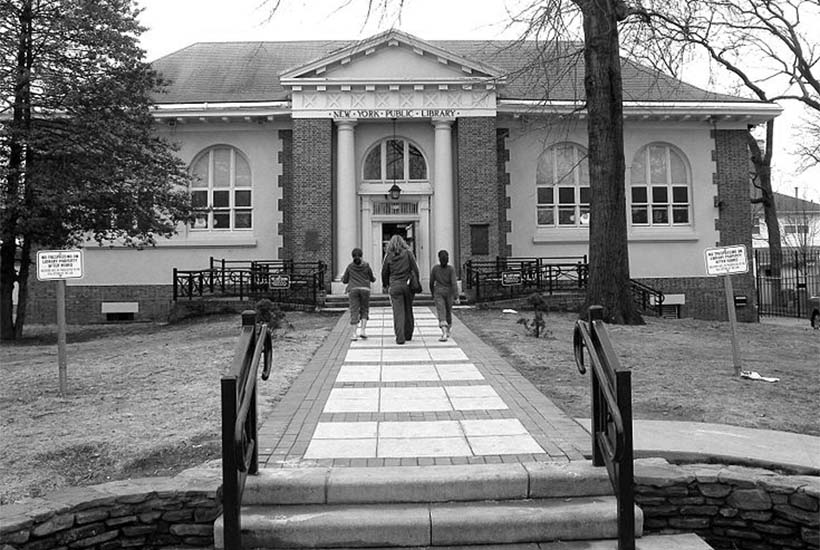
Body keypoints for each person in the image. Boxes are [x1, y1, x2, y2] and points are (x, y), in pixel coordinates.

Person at [381, 235, 419, 345]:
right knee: (408, 310)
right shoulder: (408, 253)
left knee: (398, 312)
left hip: (394, 286)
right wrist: (416, 282)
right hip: (407, 285)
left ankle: (400, 337)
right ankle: (408, 334)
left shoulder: (388, 256)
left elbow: (384, 272)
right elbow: (415, 269)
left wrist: (385, 284)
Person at [341, 248, 376, 341]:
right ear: (362, 255)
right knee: (364, 309)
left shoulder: (350, 267)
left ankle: (354, 334)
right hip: (365, 289)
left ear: (352, 256)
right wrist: (372, 279)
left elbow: (345, 280)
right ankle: (363, 331)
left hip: (353, 289)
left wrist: (343, 279)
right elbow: (372, 278)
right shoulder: (367, 266)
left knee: (354, 310)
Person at [430, 249, 459, 341]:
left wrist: (432, 293)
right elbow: (454, 283)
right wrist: (456, 296)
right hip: (449, 292)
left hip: (438, 291)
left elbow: (431, 282)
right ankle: (448, 330)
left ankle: (444, 333)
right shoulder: (451, 269)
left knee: (441, 312)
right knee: (448, 311)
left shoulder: (435, 269)